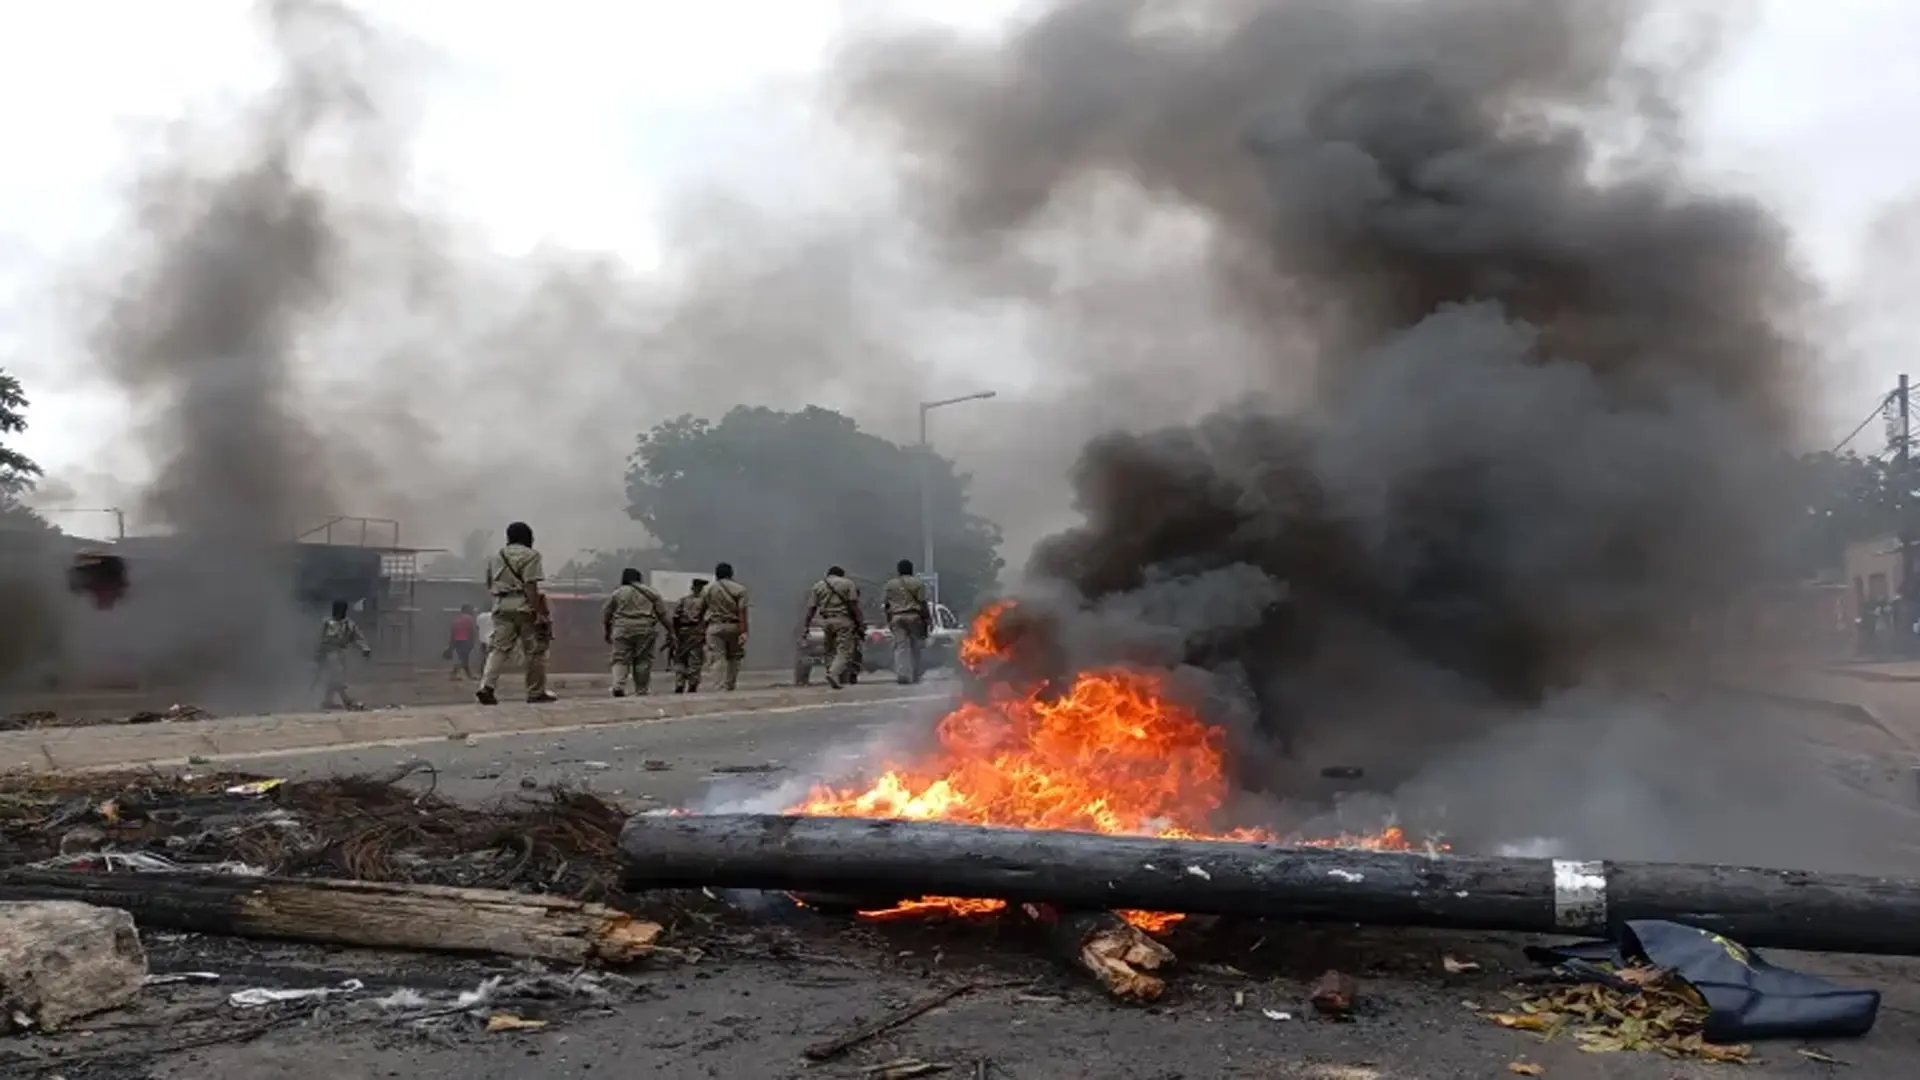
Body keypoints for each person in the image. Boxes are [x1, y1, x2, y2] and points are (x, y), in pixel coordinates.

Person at [477, 521, 557, 705]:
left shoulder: (496, 556)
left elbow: (489, 583)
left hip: (501, 605)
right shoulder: (531, 555)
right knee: (534, 651)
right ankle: (535, 692)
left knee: (499, 649)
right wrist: (539, 612)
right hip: (523, 605)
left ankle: (486, 687)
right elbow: (530, 586)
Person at [603, 568, 671, 696]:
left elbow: (607, 614)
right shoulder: (651, 593)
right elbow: (662, 614)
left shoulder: (617, 593)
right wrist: (671, 631)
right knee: (643, 660)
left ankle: (618, 685)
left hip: (622, 628)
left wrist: (607, 631)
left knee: (620, 659)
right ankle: (641, 689)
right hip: (645, 628)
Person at [805, 565, 863, 689]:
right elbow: (853, 605)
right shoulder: (848, 584)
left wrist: (806, 625)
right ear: (841, 574)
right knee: (844, 650)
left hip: (826, 621)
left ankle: (831, 672)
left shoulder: (818, 585)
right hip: (843, 620)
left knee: (830, 650)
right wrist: (860, 622)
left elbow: (811, 608)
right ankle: (833, 673)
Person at [314, 599, 374, 710]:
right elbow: (318, 638)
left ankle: (328, 701)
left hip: (340, 653)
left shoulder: (349, 625)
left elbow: (358, 638)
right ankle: (347, 700)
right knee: (335, 677)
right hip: (328, 652)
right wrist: (317, 653)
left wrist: (365, 649)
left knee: (334, 678)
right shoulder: (326, 623)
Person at [882, 559, 934, 685]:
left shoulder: (890, 584)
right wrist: (928, 619)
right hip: (914, 616)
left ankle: (902, 674)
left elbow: (886, 605)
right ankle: (915, 673)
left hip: (896, 617)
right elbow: (922, 603)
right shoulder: (918, 583)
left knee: (900, 647)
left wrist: (889, 619)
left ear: (898, 570)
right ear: (911, 569)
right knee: (916, 646)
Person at [702, 562, 750, 692]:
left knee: (716, 657)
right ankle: (730, 684)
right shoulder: (740, 589)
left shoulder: (707, 589)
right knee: (734, 657)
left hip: (714, 626)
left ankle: (719, 687)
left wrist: (701, 629)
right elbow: (742, 611)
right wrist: (744, 631)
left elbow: (702, 610)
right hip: (734, 626)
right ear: (731, 574)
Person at [671, 578, 709, 693]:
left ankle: (679, 683)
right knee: (695, 659)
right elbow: (707, 618)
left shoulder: (683, 600)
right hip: (696, 631)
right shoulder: (705, 602)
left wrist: (674, 633)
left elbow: (675, 618)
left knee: (681, 658)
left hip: (682, 631)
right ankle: (692, 683)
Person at [447, 604, 477, 679]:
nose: (472, 611)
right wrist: (473, 641)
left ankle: (466, 674)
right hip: (466, 640)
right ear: (467, 610)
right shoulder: (469, 618)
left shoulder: (457, 619)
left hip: (457, 640)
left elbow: (452, 632)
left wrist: (451, 645)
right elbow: (472, 630)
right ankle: (454, 674)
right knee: (463, 658)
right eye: (471, 609)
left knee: (462, 658)